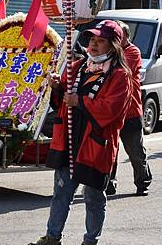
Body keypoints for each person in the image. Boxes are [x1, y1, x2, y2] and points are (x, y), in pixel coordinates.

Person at [29, 20, 131, 245]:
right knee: (61, 192)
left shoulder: (120, 76)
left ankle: (90, 240)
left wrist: (80, 101)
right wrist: (57, 87)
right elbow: (61, 102)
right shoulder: (77, 67)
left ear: (113, 45)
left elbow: (112, 110)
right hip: (68, 140)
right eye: (92, 40)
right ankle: (52, 237)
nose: (94, 45)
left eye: (100, 41)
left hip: (95, 144)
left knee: (93, 197)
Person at [105, 20, 152, 196]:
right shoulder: (108, 52)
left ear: (125, 36)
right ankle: (109, 183)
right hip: (111, 111)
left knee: (135, 151)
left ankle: (142, 181)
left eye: (119, 34)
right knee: (110, 151)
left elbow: (121, 69)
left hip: (131, 111)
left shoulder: (132, 51)